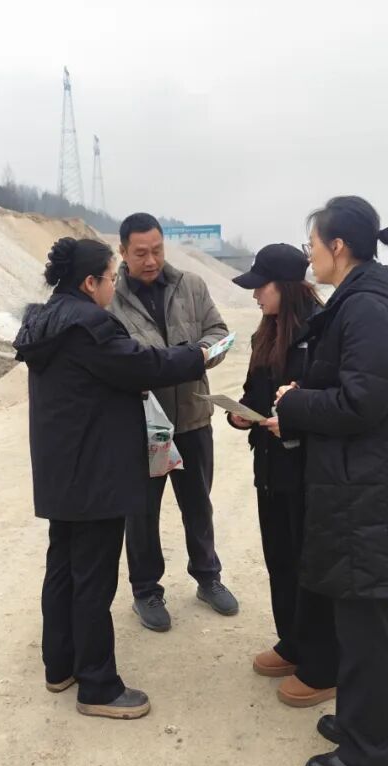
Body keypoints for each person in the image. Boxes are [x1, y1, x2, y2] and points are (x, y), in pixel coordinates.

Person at [273, 196, 388, 766]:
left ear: (337, 246)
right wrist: (303, 397)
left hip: (369, 493)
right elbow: (352, 387)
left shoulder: (366, 307)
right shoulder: (358, 301)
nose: (310, 256)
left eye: (313, 245)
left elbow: (363, 402)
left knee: (365, 621)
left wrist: (297, 404)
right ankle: (363, 723)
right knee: (360, 617)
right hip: (358, 486)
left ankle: (369, 754)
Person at [13, 236, 209, 720]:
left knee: (63, 568)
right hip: (95, 473)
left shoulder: (46, 321)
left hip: (62, 471)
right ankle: (98, 686)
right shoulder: (89, 324)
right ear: (89, 282)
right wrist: (198, 356)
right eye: (110, 277)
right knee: (93, 579)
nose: (114, 285)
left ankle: (60, 665)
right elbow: (142, 364)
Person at [109, 213, 239, 632]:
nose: (151, 261)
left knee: (198, 504)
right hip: (143, 426)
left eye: (157, 250)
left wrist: (199, 354)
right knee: (141, 513)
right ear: (123, 252)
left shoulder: (191, 286)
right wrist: (161, 364)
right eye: (140, 253)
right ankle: (146, 590)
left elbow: (219, 333)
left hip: (194, 418)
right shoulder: (111, 299)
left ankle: (208, 577)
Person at [226, 244, 339, 708]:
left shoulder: (323, 330)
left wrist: (290, 418)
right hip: (271, 467)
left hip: (309, 470)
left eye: (261, 287)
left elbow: (331, 403)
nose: (255, 295)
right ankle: (292, 643)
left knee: (311, 565)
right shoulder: (267, 331)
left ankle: (324, 666)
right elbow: (255, 392)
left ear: (285, 287)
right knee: (280, 558)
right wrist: (240, 415)